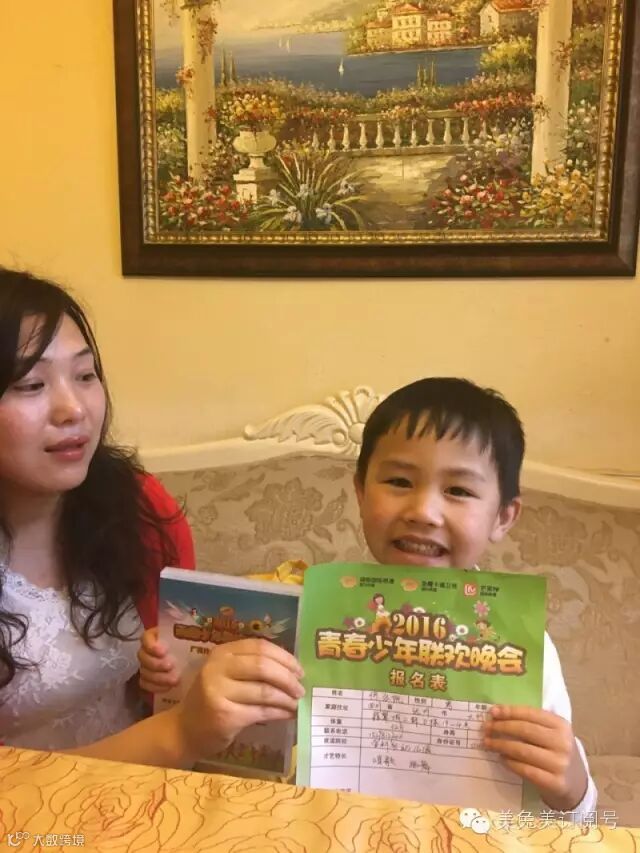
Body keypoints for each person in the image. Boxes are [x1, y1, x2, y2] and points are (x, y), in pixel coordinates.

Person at [140, 377, 596, 818]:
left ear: (503, 517)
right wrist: (178, 670)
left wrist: (572, 789)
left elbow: (568, 820)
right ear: (360, 491)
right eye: (399, 481)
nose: (423, 512)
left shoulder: (521, 646)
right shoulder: (302, 609)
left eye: (458, 490)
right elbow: (212, 728)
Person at [0, 268, 303, 767]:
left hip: (152, 793)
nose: (73, 409)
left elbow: (167, 671)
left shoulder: (137, 508)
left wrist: (183, 677)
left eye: (85, 375)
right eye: (31, 384)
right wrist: (182, 732)